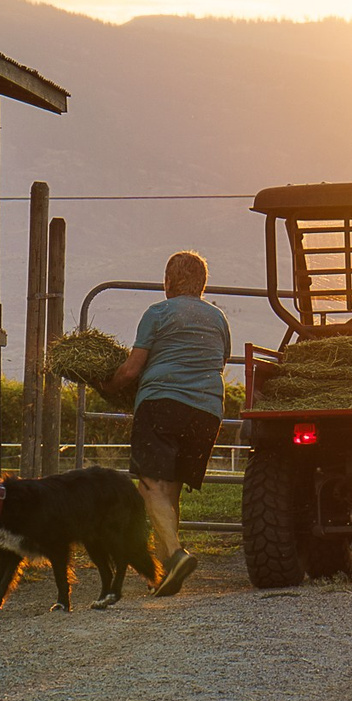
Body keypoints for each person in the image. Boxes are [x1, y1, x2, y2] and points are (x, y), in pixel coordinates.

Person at [103, 251, 231, 597]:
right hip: (207, 411)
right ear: (203, 284)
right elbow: (218, 360)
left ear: (168, 282)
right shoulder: (218, 318)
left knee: (149, 486)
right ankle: (163, 575)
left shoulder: (158, 313)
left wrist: (109, 386)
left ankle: (175, 555)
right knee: (168, 492)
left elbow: (131, 369)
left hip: (163, 404)